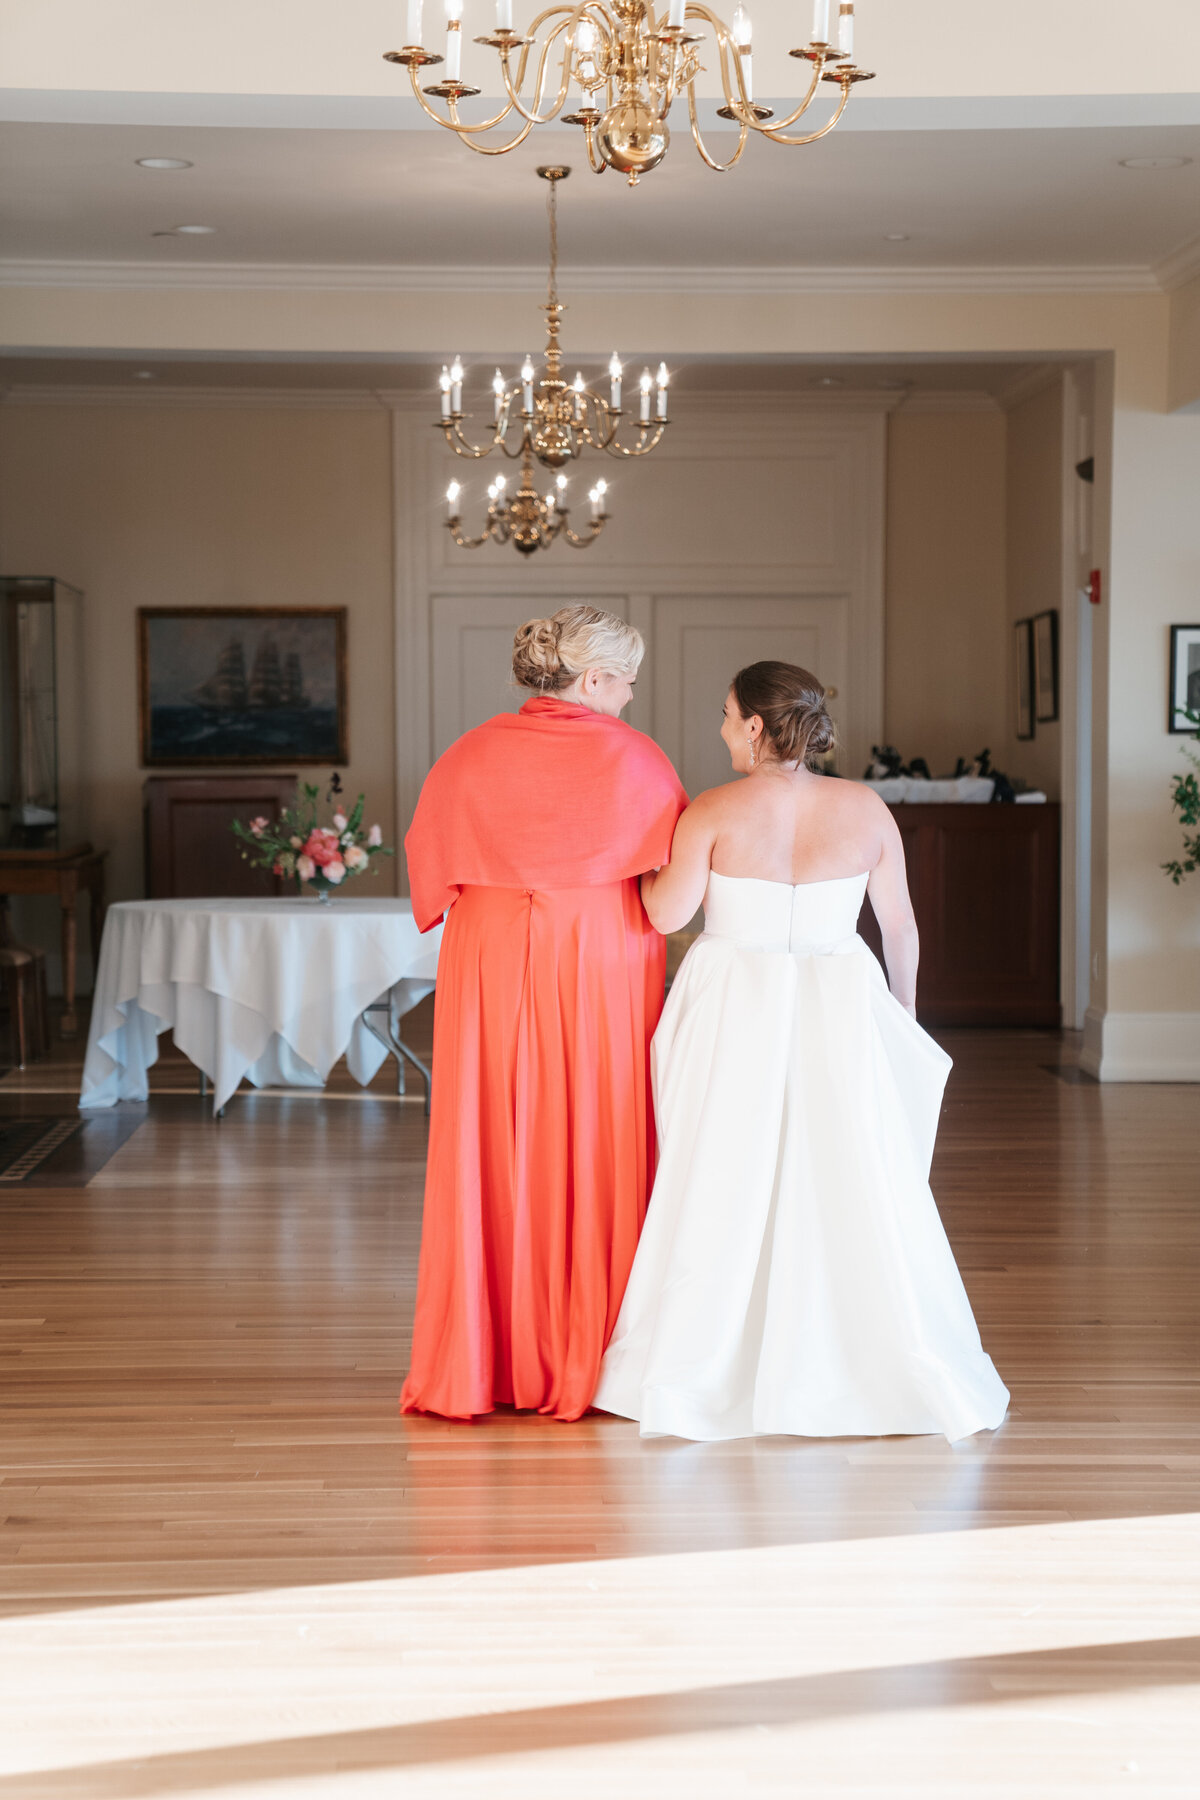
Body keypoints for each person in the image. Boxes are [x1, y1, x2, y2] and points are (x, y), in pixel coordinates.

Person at [593, 660, 1009, 1443]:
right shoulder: (865, 807)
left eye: (725, 714)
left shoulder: (712, 810)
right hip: (841, 1000)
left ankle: (704, 1355)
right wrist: (903, 1018)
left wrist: (640, 863)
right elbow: (901, 928)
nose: (719, 729)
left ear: (755, 726)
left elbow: (665, 914)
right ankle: (861, 1354)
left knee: (720, 1165)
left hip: (731, 1005)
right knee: (847, 1167)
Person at [401, 605, 688, 1422]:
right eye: (627, 681)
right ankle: (589, 1352)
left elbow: (431, 870)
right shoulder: (636, 759)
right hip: (597, 949)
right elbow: (671, 885)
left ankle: (482, 1360)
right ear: (593, 679)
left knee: (488, 1132)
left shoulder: (468, 754)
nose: (631, 697)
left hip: (489, 950)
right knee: (593, 1125)